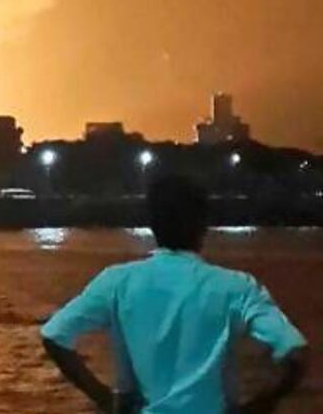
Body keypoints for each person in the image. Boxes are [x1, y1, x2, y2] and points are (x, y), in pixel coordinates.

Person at [40, 174, 308, 413]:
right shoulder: (237, 287)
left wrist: (104, 399)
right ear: (203, 225)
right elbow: (295, 353)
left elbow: (54, 336)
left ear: (153, 224)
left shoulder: (117, 281)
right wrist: (261, 404)